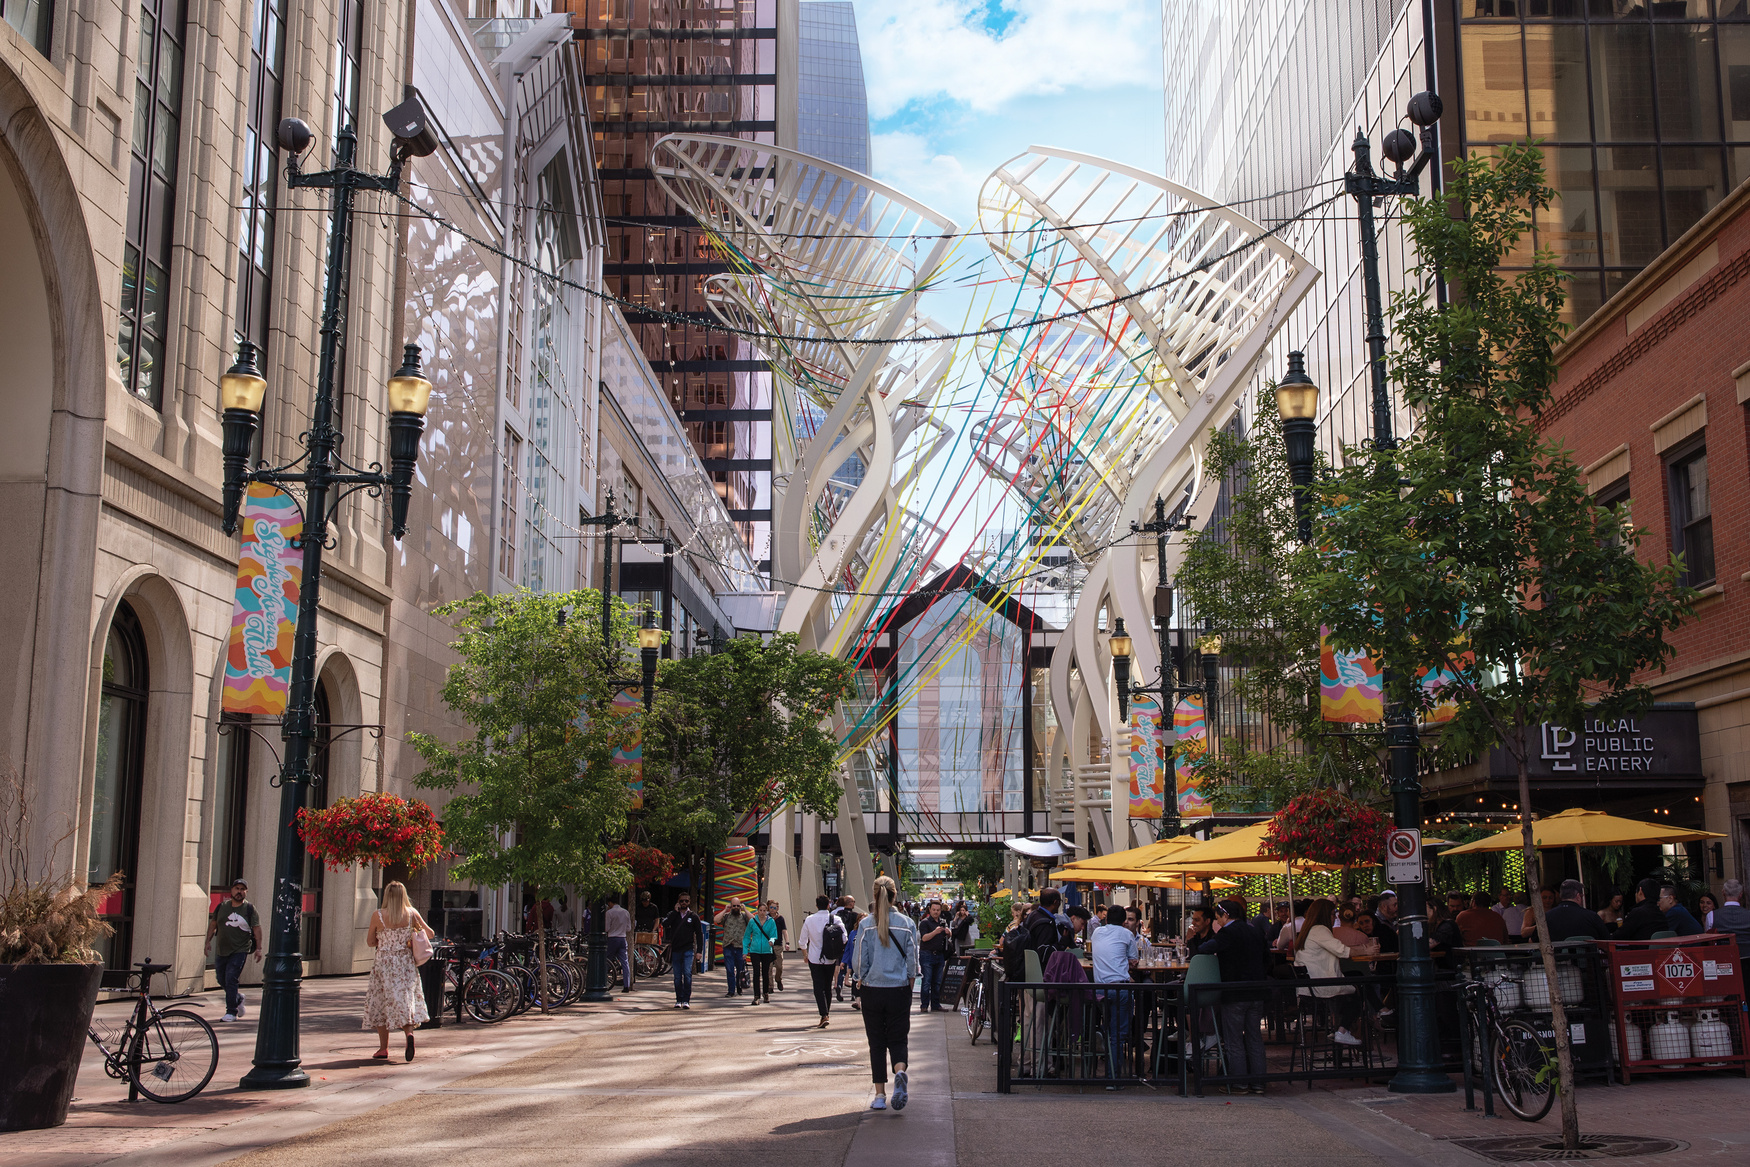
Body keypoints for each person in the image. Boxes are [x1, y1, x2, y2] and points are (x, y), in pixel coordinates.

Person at [853, 875, 919, 1112]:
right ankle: (900, 1071)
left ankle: (880, 1094)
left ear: (874, 895)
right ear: (894, 895)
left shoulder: (866, 924)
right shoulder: (907, 923)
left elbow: (860, 960)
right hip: (899, 989)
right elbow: (913, 958)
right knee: (898, 1038)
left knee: (877, 1042)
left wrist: (860, 979)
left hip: (873, 989)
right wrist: (910, 980)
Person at [1199, 898, 1270, 1093]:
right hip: (1257, 991)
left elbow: (1205, 948)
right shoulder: (1255, 930)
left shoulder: (1227, 932)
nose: (1218, 922)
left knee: (1234, 1040)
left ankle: (1239, 1082)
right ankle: (1259, 1082)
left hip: (1235, 992)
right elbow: (1267, 957)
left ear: (1226, 915)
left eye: (1218, 918)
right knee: (1255, 1038)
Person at [363, 881, 434, 1061]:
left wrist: (383, 940)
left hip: (384, 963)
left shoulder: (378, 915)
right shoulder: (411, 914)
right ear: (403, 896)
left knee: (381, 1001)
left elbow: (370, 941)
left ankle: (383, 1048)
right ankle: (409, 1035)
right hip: (405, 963)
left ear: (387, 895)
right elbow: (430, 934)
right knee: (404, 999)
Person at [1293, 899, 1377, 1047]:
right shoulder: (1319, 929)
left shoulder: (1308, 930)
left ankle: (1379, 1011)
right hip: (1321, 984)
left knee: (1356, 977)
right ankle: (1342, 1031)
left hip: (1310, 985)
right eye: (1332, 914)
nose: (1334, 918)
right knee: (1360, 987)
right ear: (1324, 915)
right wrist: (1366, 950)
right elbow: (1341, 950)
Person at [1091, 904, 1140, 1089]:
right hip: (1120, 988)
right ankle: (1114, 1078)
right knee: (1118, 1035)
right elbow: (1133, 962)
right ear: (1123, 921)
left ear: (1105, 918)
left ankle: (1101, 1033)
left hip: (1100, 989)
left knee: (1110, 1029)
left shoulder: (1096, 933)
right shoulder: (1127, 934)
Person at [205, 878, 262, 1022]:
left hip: (240, 949)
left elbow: (256, 928)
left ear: (246, 892)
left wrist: (259, 949)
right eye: (237, 888)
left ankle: (231, 1012)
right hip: (222, 949)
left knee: (231, 978)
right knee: (221, 978)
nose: (239, 892)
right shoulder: (222, 907)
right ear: (231, 890)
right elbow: (213, 924)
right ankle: (237, 998)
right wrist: (207, 942)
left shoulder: (249, 909)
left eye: (242, 889)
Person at [798, 894, 844, 1027]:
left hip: (814, 957)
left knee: (818, 987)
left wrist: (805, 954)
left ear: (816, 905)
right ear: (829, 905)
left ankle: (823, 1014)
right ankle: (826, 1013)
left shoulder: (810, 919)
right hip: (830, 958)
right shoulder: (835, 919)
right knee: (827, 987)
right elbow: (844, 938)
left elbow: (802, 941)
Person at [662, 894, 704, 1009]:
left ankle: (686, 1000)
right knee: (676, 976)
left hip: (688, 949)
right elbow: (665, 924)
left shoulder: (693, 917)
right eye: (681, 901)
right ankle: (678, 999)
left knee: (687, 974)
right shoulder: (673, 915)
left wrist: (699, 951)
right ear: (678, 902)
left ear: (689, 902)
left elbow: (699, 934)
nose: (684, 903)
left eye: (686, 901)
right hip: (676, 949)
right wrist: (675, 912)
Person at [1542, 879, 1609, 942]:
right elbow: (1607, 940)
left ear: (1561, 896)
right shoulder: (1592, 917)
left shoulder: (1547, 917)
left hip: (1556, 954)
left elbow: (1534, 940)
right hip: (1588, 954)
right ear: (1578, 896)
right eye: (1582, 896)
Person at [918, 900, 953, 1012]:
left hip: (939, 954)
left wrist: (948, 932)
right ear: (930, 910)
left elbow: (949, 937)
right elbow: (924, 938)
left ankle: (936, 1004)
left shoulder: (942, 922)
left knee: (937, 981)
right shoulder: (925, 923)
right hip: (927, 954)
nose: (936, 912)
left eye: (938, 910)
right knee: (927, 981)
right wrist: (935, 932)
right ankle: (924, 1005)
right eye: (934, 910)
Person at [743, 902, 781, 1004]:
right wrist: (745, 951)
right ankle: (756, 996)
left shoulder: (771, 921)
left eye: (764, 911)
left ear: (767, 911)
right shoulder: (752, 921)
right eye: (760, 910)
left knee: (765, 973)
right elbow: (747, 936)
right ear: (757, 910)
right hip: (755, 950)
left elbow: (774, 934)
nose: (762, 913)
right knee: (756, 973)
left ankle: (765, 993)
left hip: (766, 950)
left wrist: (771, 941)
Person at [714, 898, 750, 998]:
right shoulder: (726, 916)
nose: (736, 907)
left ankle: (739, 987)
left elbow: (753, 920)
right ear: (730, 906)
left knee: (740, 969)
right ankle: (731, 990)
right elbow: (716, 920)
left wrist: (745, 910)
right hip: (728, 946)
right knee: (729, 970)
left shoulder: (743, 916)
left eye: (738, 906)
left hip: (740, 947)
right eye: (734, 905)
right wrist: (725, 910)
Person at [833, 895, 863, 1009]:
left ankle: (839, 984)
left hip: (840, 943)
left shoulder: (837, 915)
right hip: (852, 942)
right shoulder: (855, 916)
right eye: (853, 902)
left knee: (841, 965)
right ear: (850, 903)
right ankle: (853, 993)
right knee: (853, 968)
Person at [1712, 880, 1750, 957]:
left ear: (1723, 892)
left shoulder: (1712, 915)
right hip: (1747, 958)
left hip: (1723, 958)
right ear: (1740, 895)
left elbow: (1709, 937)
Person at [604, 894, 634, 992]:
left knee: (608, 960)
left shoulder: (609, 912)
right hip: (622, 938)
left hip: (612, 938)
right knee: (625, 962)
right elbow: (629, 928)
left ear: (610, 903)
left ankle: (604, 982)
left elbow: (607, 928)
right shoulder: (625, 912)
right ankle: (627, 984)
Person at [767, 899, 789, 991]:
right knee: (768, 968)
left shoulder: (780, 918)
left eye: (774, 907)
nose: (772, 909)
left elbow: (784, 931)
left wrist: (787, 942)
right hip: (768, 946)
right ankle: (770, 986)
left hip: (778, 946)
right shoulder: (766, 918)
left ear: (777, 908)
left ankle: (778, 979)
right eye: (771, 907)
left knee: (779, 966)